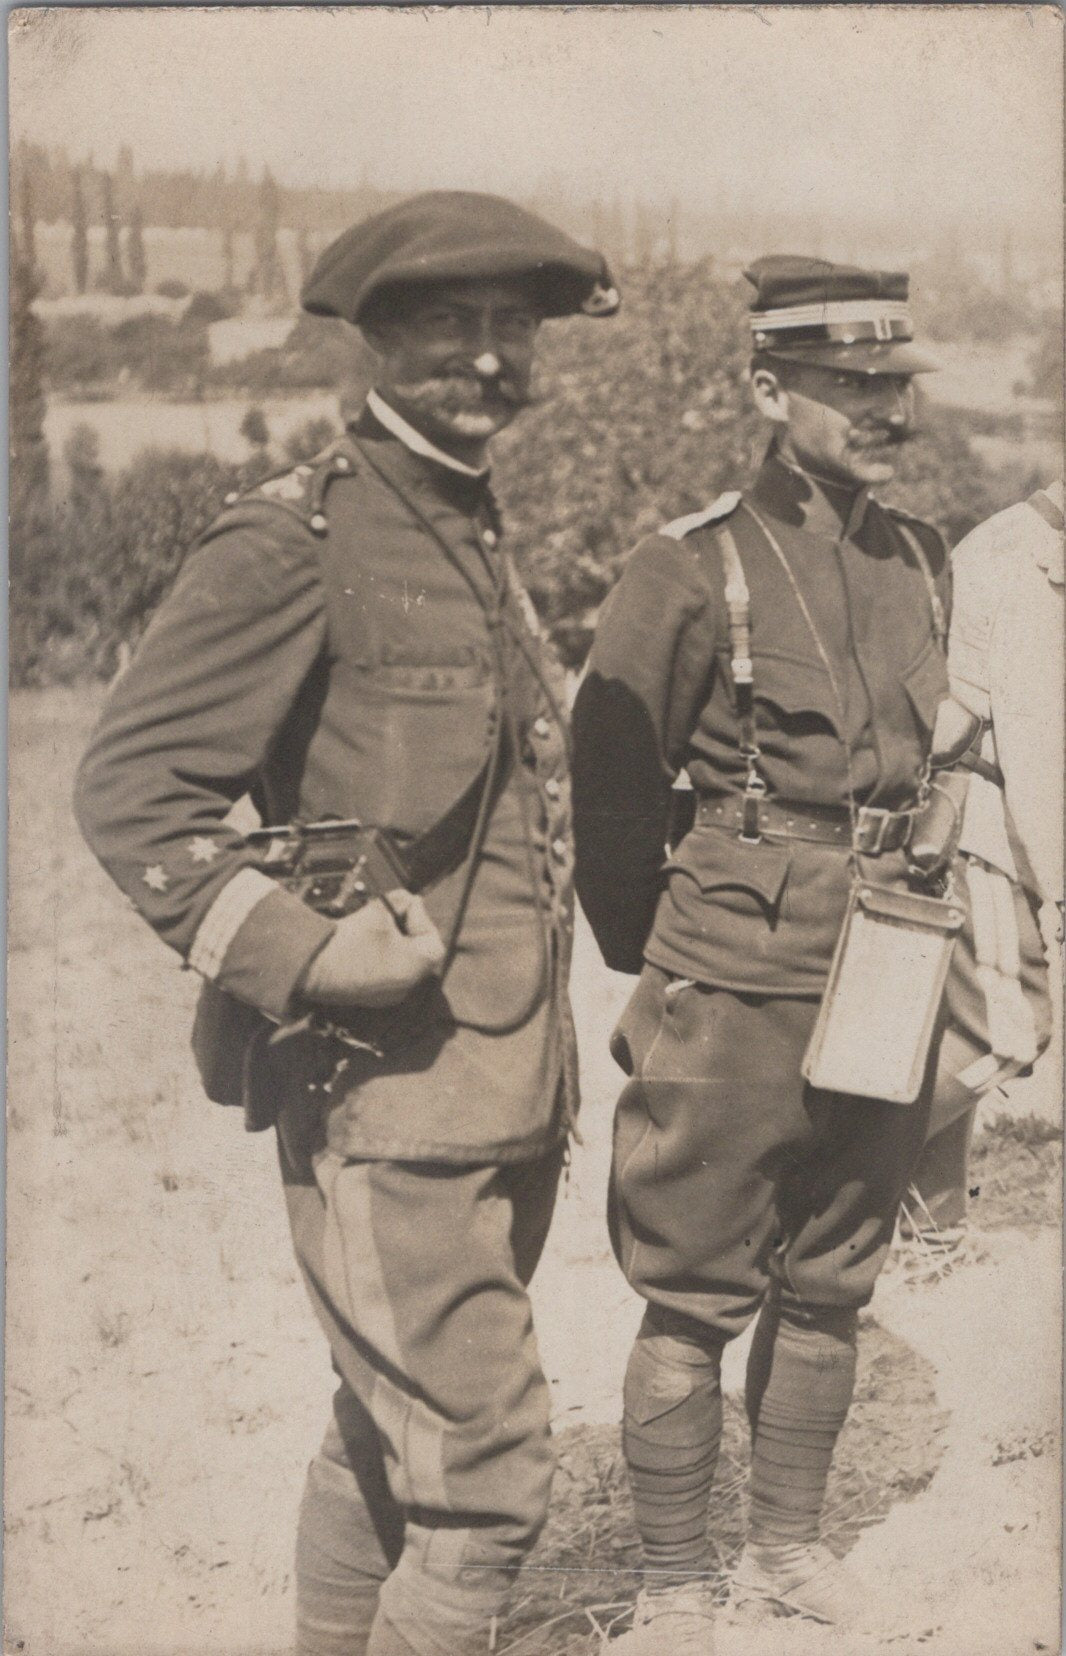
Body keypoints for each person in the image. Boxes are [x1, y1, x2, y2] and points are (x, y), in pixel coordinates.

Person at [74, 191, 619, 1656]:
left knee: (390, 1430)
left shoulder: (464, 520)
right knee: (489, 1477)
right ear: (375, 339)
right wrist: (303, 955)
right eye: (449, 325)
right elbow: (130, 791)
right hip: (386, 1097)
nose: (488, 356)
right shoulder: (296, 538)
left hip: (500, 1083)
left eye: (511, 327)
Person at [571, 255, 950, 1650]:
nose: (881, 408)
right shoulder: (690, 564)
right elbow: (610, 786)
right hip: (734, 971)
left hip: (891, 954)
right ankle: (675, 1581)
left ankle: (786, 1549)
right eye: (847, 383)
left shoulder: (919, 558)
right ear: (766, 389)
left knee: (835, 1269)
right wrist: (668, 958)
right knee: (692, 1282)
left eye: (893, 382)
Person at [903, 481, 1062, 1248]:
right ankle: (836, 1172)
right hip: (991, 827)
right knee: (1008, 1030)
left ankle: (931, 1226)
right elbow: (1036, 749)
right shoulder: (1020, 554)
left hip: (1002, 825)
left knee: (951, 1028)